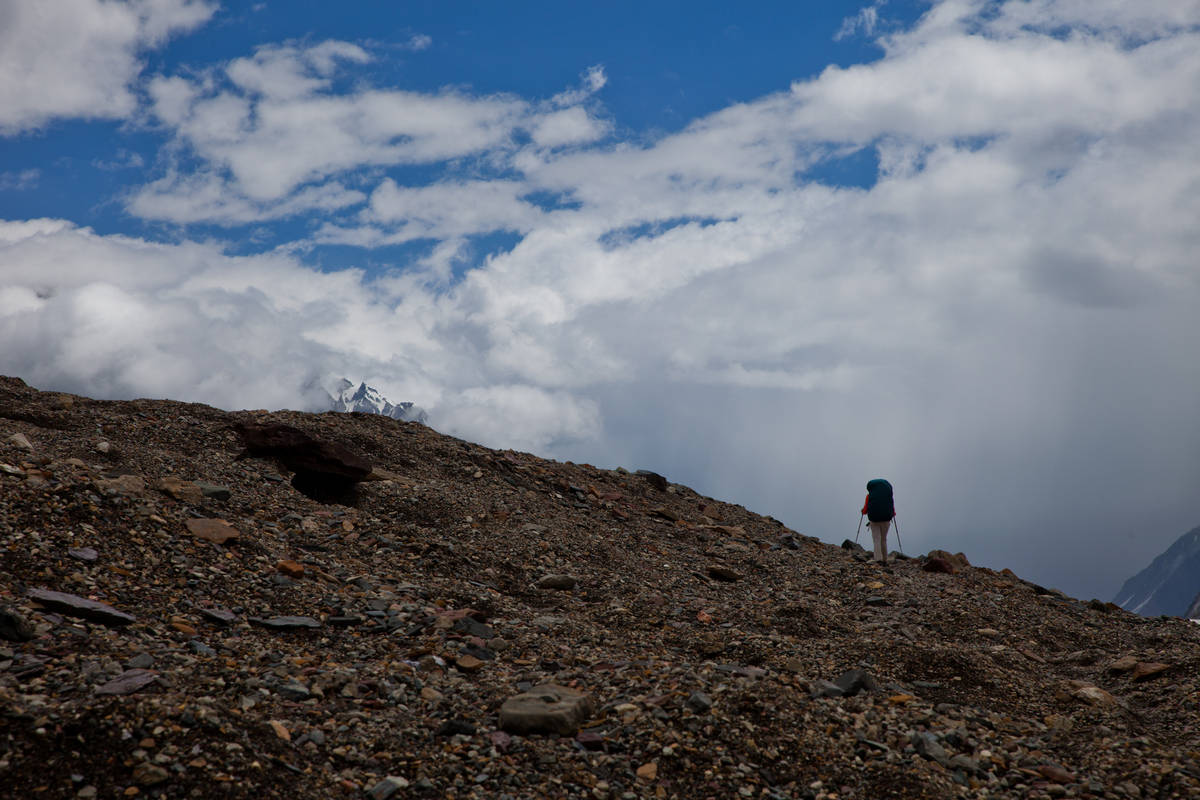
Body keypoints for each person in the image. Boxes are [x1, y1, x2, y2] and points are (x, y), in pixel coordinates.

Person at [861, 478, 895, 563]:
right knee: (883, 539)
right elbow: (892, 509)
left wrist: (863, 511)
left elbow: (865, 510)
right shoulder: (888, 496)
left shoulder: (869, 496)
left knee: (876, 539)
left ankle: (878, 559)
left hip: (874, 520)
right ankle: (885, 559)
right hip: (886, 520)